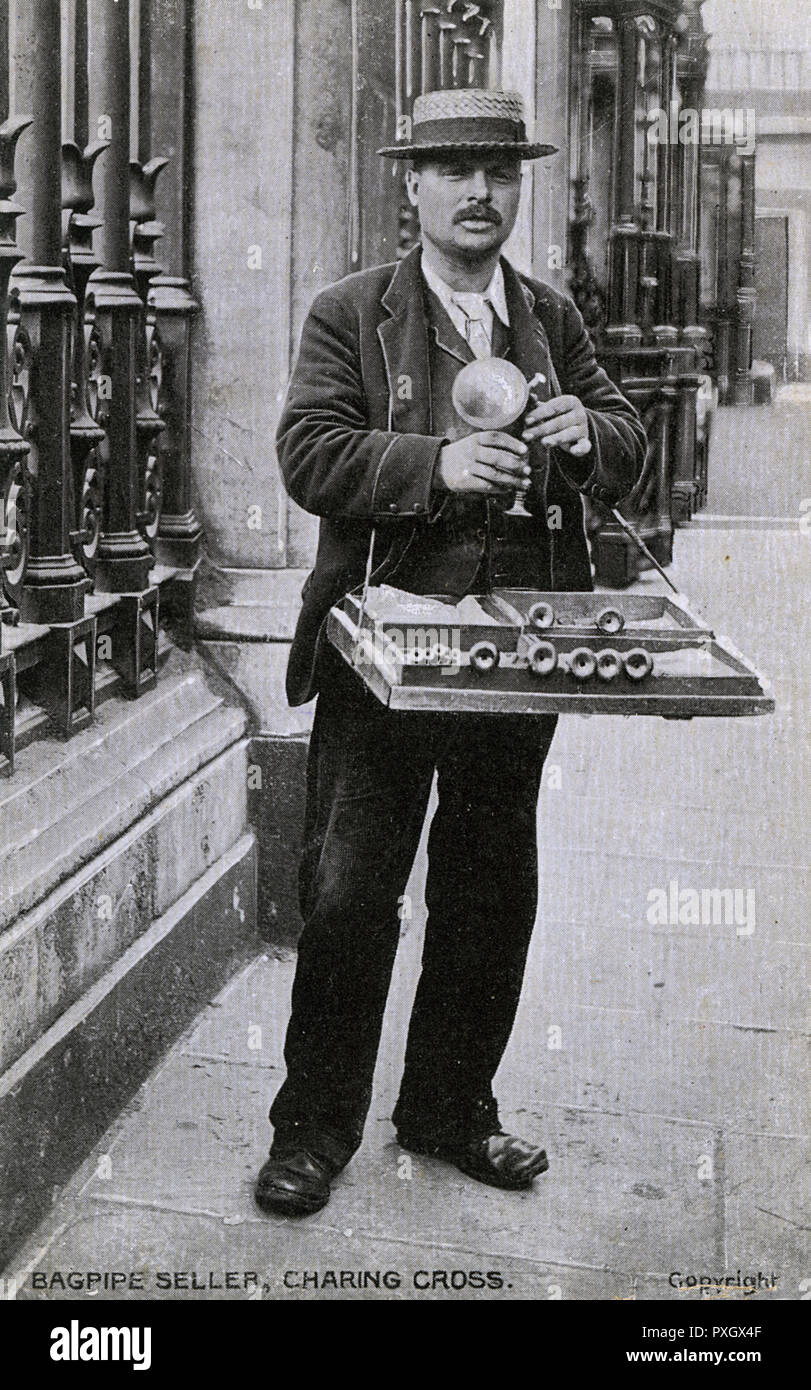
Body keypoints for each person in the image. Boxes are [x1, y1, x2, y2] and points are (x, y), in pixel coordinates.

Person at [255, 89, 646, 1217]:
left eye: (499, 173)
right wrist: (437, 466)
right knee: (347, 892)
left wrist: (587, 439)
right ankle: (313, 1127)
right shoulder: (352, 311)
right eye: (455, 171)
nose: (481, 193)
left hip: (518, 653)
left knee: (487, 889)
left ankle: (447, 1105)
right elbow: (308, 451)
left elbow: (621, 435)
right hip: (383, 651)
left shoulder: (549, 317)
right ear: (411, 187)